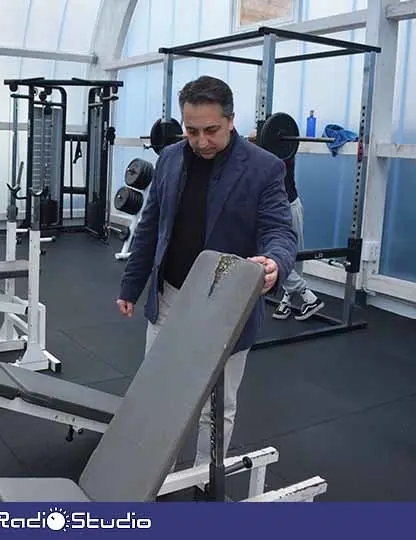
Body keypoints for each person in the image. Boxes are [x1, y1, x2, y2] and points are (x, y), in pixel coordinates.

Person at [116, 76, 298, 485]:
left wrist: (275, 263)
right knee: (156, 392)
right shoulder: (170, 159)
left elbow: (280, 231)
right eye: (192, 130)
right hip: (170, 296)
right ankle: (152, 474)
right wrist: (131, 285)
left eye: (211, 130)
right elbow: (150, 227)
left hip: (227, 306)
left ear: (231, 121)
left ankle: (202, 480)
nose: (201, 141)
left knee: (217, 407)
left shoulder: (265, 168)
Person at [269, 156, 325, 321]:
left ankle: (301, 295)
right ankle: (299, 296)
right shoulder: (263, 148)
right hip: (280, 208)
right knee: (281, 255)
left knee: (294, 255)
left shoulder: (280, 149)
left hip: (289, 206)